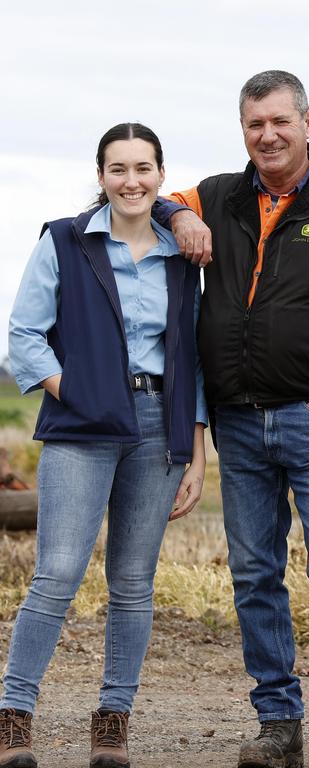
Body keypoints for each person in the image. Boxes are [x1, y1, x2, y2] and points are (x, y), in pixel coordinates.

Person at [154, 70, 309, 768]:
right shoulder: (214, 197)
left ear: (308, 122)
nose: (267, 134)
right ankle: (277, 722)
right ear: (243, 129)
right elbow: (149, 200)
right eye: (254, 123)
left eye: (279, 122)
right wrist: (181, 216)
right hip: (238, 423)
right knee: (255, 574)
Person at [1, 123, 206, 768]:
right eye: (118, 169)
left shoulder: (181, 253)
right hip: (82, 428)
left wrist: (196, 451)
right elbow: (24, 336)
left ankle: (112, 723)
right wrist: (76, 391)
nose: (132, 181)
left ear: (160, 175)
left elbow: (193, 358)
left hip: (157, 431)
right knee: (57, 574)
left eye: (144, 168)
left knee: (133, 582)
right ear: (100, 176)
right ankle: (13, 718)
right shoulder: (64, 240)